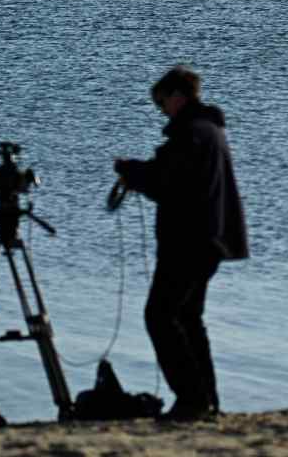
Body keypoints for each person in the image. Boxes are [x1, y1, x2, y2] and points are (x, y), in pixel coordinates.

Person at [114, 66, 249, 422]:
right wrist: (139, 171)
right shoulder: (207, 130)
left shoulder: (191, 132)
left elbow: (167, 183)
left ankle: (191, 399)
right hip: (210, 239)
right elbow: (172, 175)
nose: (161, 111)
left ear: (177, 96)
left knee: (159, 316)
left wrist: (133, 174)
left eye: (161, 103)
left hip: (189, 241)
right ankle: (207, 400)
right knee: (188, 318)